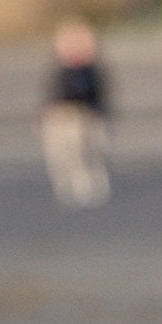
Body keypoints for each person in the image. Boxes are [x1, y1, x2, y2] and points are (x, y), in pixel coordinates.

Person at [38, 18, 112, 209]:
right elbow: (51, 96)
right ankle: (67, 185)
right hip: (64, 115)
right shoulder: (59, 70)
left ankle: (91, 185)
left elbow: (101, 94)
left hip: (88, 114)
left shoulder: (92, 71)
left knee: (93, 151)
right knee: (64, 154)